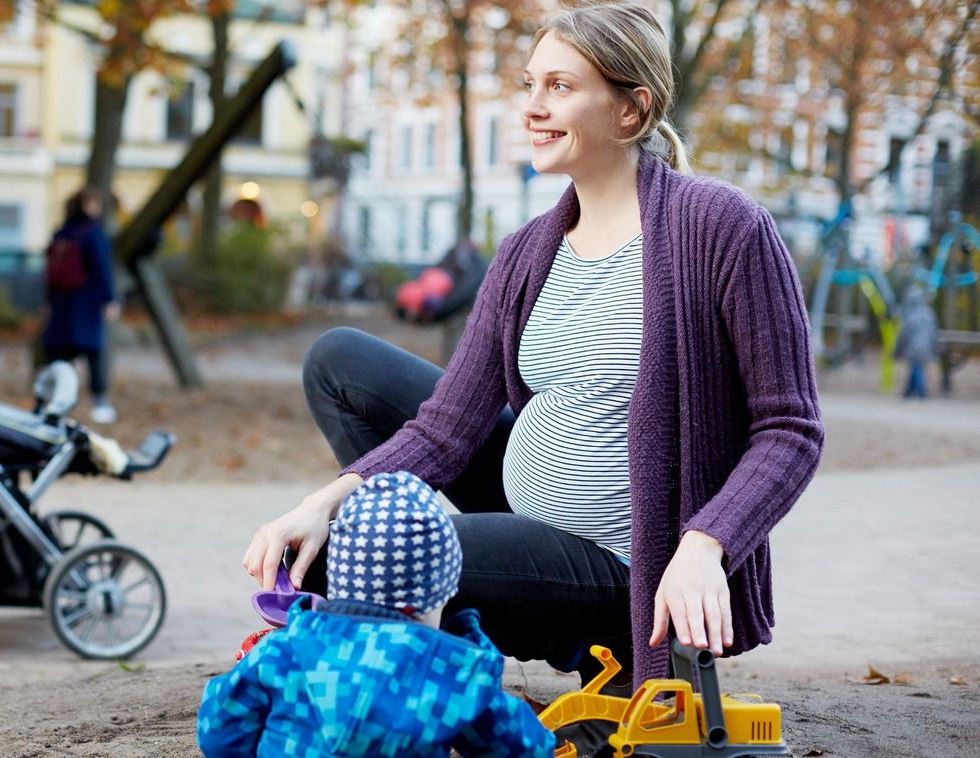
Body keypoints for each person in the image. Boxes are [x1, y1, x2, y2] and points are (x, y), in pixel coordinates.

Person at [243, 0, 824, 704]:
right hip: (528, 518)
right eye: (529, 84)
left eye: (560, 87)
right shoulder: (526, 251)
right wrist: (320, 504)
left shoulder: (722, 229)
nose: (532, 107)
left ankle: (564, 634)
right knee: (339, 365)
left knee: (347, 564)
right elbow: (444, 428)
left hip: (631, 566)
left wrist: (706, 543)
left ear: (629, 110)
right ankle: (432, 597)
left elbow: (788, 431)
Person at [200, 471, 556, 758]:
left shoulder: (284, 650)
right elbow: (522, 747)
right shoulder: (452, 674)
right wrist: (472, 650)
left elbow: (218, 732)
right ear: (436, 598)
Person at [42, 187, 120, 424]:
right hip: (86, 301)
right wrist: (109, 298)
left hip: (62, 303)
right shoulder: (92, 233)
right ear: (87, 205)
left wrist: (48, 301)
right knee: (93, 352)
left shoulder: (62, 233)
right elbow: (101, 268)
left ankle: (56, 402)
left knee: (62, 356)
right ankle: (100, 403)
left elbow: (50, 271)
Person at [895, 284, 940, 398]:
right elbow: (934, 334)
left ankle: (921, 392)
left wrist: (896, 352)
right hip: (926, 347)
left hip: (913, 348)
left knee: (916, 368)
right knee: (916, 368)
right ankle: (909, 391)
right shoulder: (928, 314)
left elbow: (903, 336)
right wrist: (936, 349)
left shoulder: (909, 316)